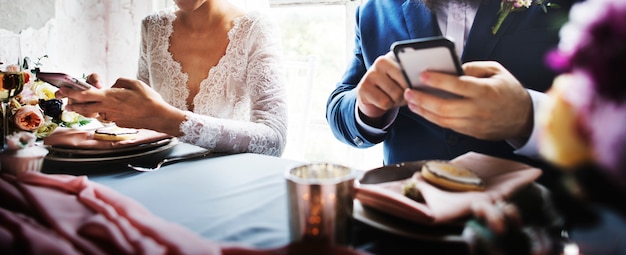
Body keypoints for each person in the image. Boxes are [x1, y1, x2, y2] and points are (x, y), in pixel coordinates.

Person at [325, 0, 576, 183]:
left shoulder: (576, 8)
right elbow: (338, 109)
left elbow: (609, 114)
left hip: (526, 217)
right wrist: (366, 108)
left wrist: (528, 116)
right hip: (406, 217)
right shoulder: (373, 10)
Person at [57, 0, 288, 157]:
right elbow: (143, 120)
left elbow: (274, 140)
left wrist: (170, 119)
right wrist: (106, 107)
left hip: (227, 181)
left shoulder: (256, 28)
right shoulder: (153, 27)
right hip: (157, 171)